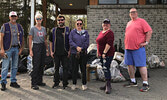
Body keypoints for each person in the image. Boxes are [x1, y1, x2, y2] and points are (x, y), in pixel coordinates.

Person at [124, 8, 153, 92]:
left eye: (134, 12)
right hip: (128, 47)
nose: (132, 13)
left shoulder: (142, 21)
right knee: (130, 65)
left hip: (138, 48)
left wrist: (146, 42)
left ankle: (145, 84)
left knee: (141, 65)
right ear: (129, 14)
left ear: (137, 13)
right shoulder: (129, 23)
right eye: (131, 12)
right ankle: (133, 81)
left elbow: (149, 31)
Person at [0, 11, 24, 91]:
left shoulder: (19, 26)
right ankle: (3, 82)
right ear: (9, 17)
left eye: (15, 16)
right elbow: (1, 38)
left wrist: (21, 48)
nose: (13, 18)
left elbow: (22, 38)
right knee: (5, 66)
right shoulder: (5, 26)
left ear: (17, 17)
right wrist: (2, 49)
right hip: (7, 49)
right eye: (12, 16)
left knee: (14, 66)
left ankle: (13, 81)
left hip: (16, 49)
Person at [29, 13, 49, 90]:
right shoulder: (33, 29)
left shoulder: (43, 29)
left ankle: (39, 81)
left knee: (41, 65)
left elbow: (45, 40)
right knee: (36, 65)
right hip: (36, 46)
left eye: (40, 19)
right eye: (37, 19)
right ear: (35, 20)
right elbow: (30, 39)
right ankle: (33, 83)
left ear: (42, 19)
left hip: (42, 47)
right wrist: (31, 50)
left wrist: (47, 49)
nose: (39, 20)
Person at [49, 15, 70, 89]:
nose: (60, 21)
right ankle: (56, 83)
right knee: (56, 68)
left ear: (64, 21)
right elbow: (51, 41)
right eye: (59, 20)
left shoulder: (68, 30)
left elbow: (70, 41)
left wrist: (69, 51)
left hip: (65, 53)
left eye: (62, 20)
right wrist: (51, 51)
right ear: (57, 21)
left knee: (65, 68)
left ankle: (65, 84)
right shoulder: (53, 30)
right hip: (56, 53)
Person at [69, 19, 89, 90]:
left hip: (83, 54)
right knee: (74, 69)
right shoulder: (72, 32)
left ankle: (84, 84)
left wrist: (82, 48)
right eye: (78, 24)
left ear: (82, 25)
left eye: (80, 24)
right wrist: (76, 47)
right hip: (75, 53)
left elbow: (87, 42)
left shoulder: (85, 32)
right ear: (75, 25)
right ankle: (74, 84)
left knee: (83, 69)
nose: (79, 25)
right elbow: (70, 41)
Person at [96, 19, 115, 94]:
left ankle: (108, 85)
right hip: (101, 54)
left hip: (107, 54)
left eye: (107, 24)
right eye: (104, 24)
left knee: (106, 68)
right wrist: (98, 52)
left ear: (109, 25)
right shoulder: (101, 32)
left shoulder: (110, 33)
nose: (105, 25)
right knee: (104, 69)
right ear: (102, 24)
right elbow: (98, 43)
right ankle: (106, 84)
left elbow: (109, 44)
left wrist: (104, 53)